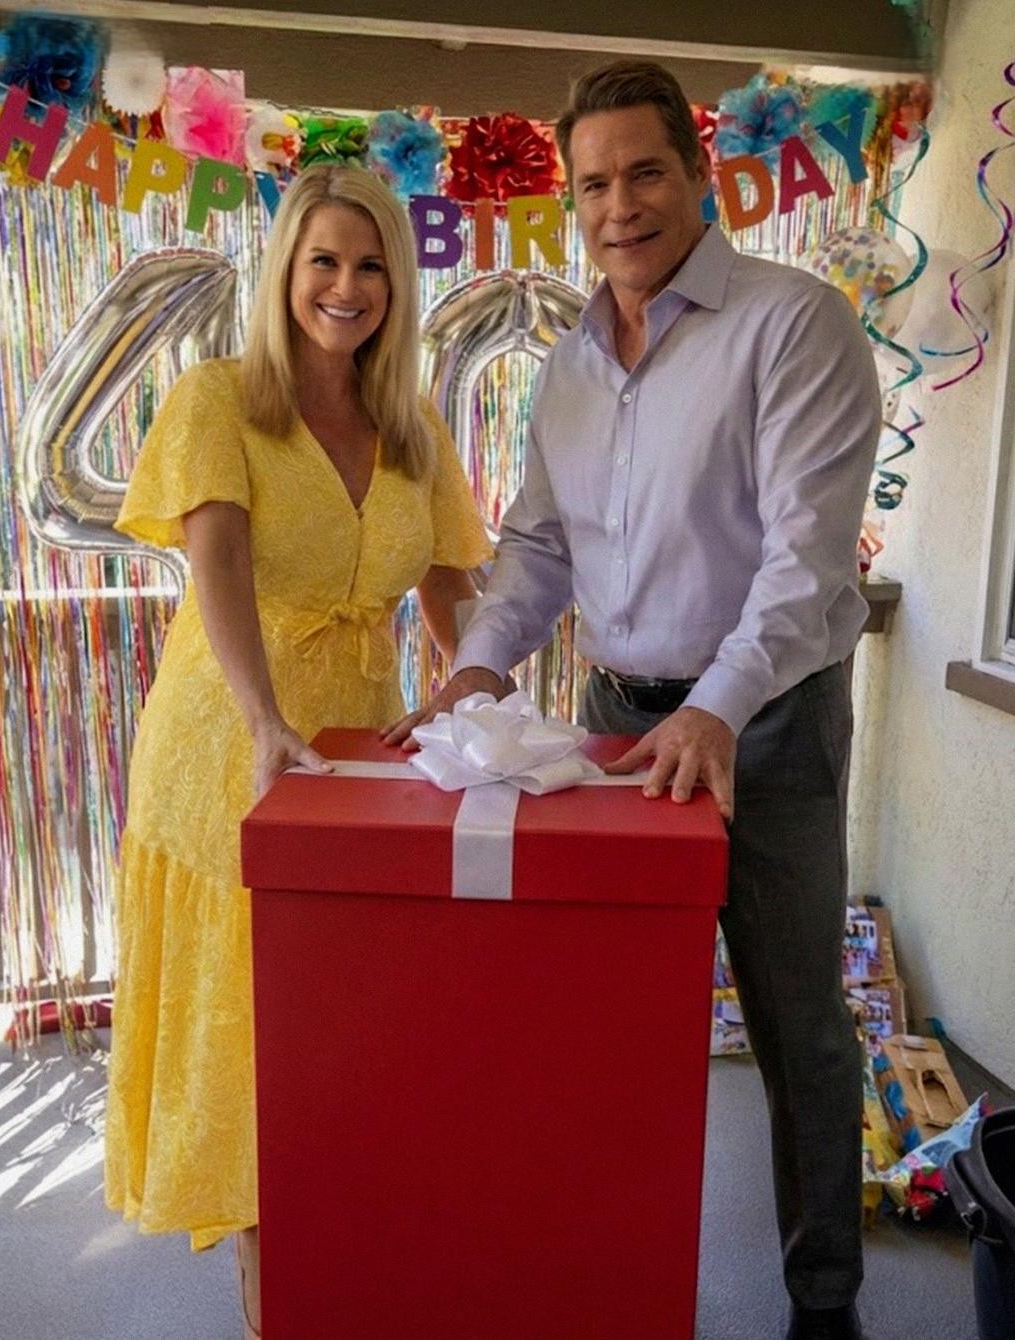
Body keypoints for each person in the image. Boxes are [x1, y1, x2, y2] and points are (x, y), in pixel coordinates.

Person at [386, 60, 881, 1340]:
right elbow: (538, 547)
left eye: (645, 171)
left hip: (764, 721)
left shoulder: (794, 323)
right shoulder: (566, 364)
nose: (620, 206)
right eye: (594, 183)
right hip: (613, 717)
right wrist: (475, 666)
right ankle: (604, 1270)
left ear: (699, 174)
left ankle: (824, 1298)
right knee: (609, 1016)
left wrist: (715, 707)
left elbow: (807, 561)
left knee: (795, 1020)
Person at [104, 165, 491, 1338]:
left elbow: (451, 586)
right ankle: (274, 1302)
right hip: (232, 745)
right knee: (258, 1046)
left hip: (365, 756)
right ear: (285, 271)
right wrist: (267, 718)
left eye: (371, 265)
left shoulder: (413, 428)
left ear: (398, 285)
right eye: (323, 260)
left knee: (350, 1031)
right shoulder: (218, 397)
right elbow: (217, 562)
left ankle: (355, 1274)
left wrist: (482, 694)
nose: (346, 286)